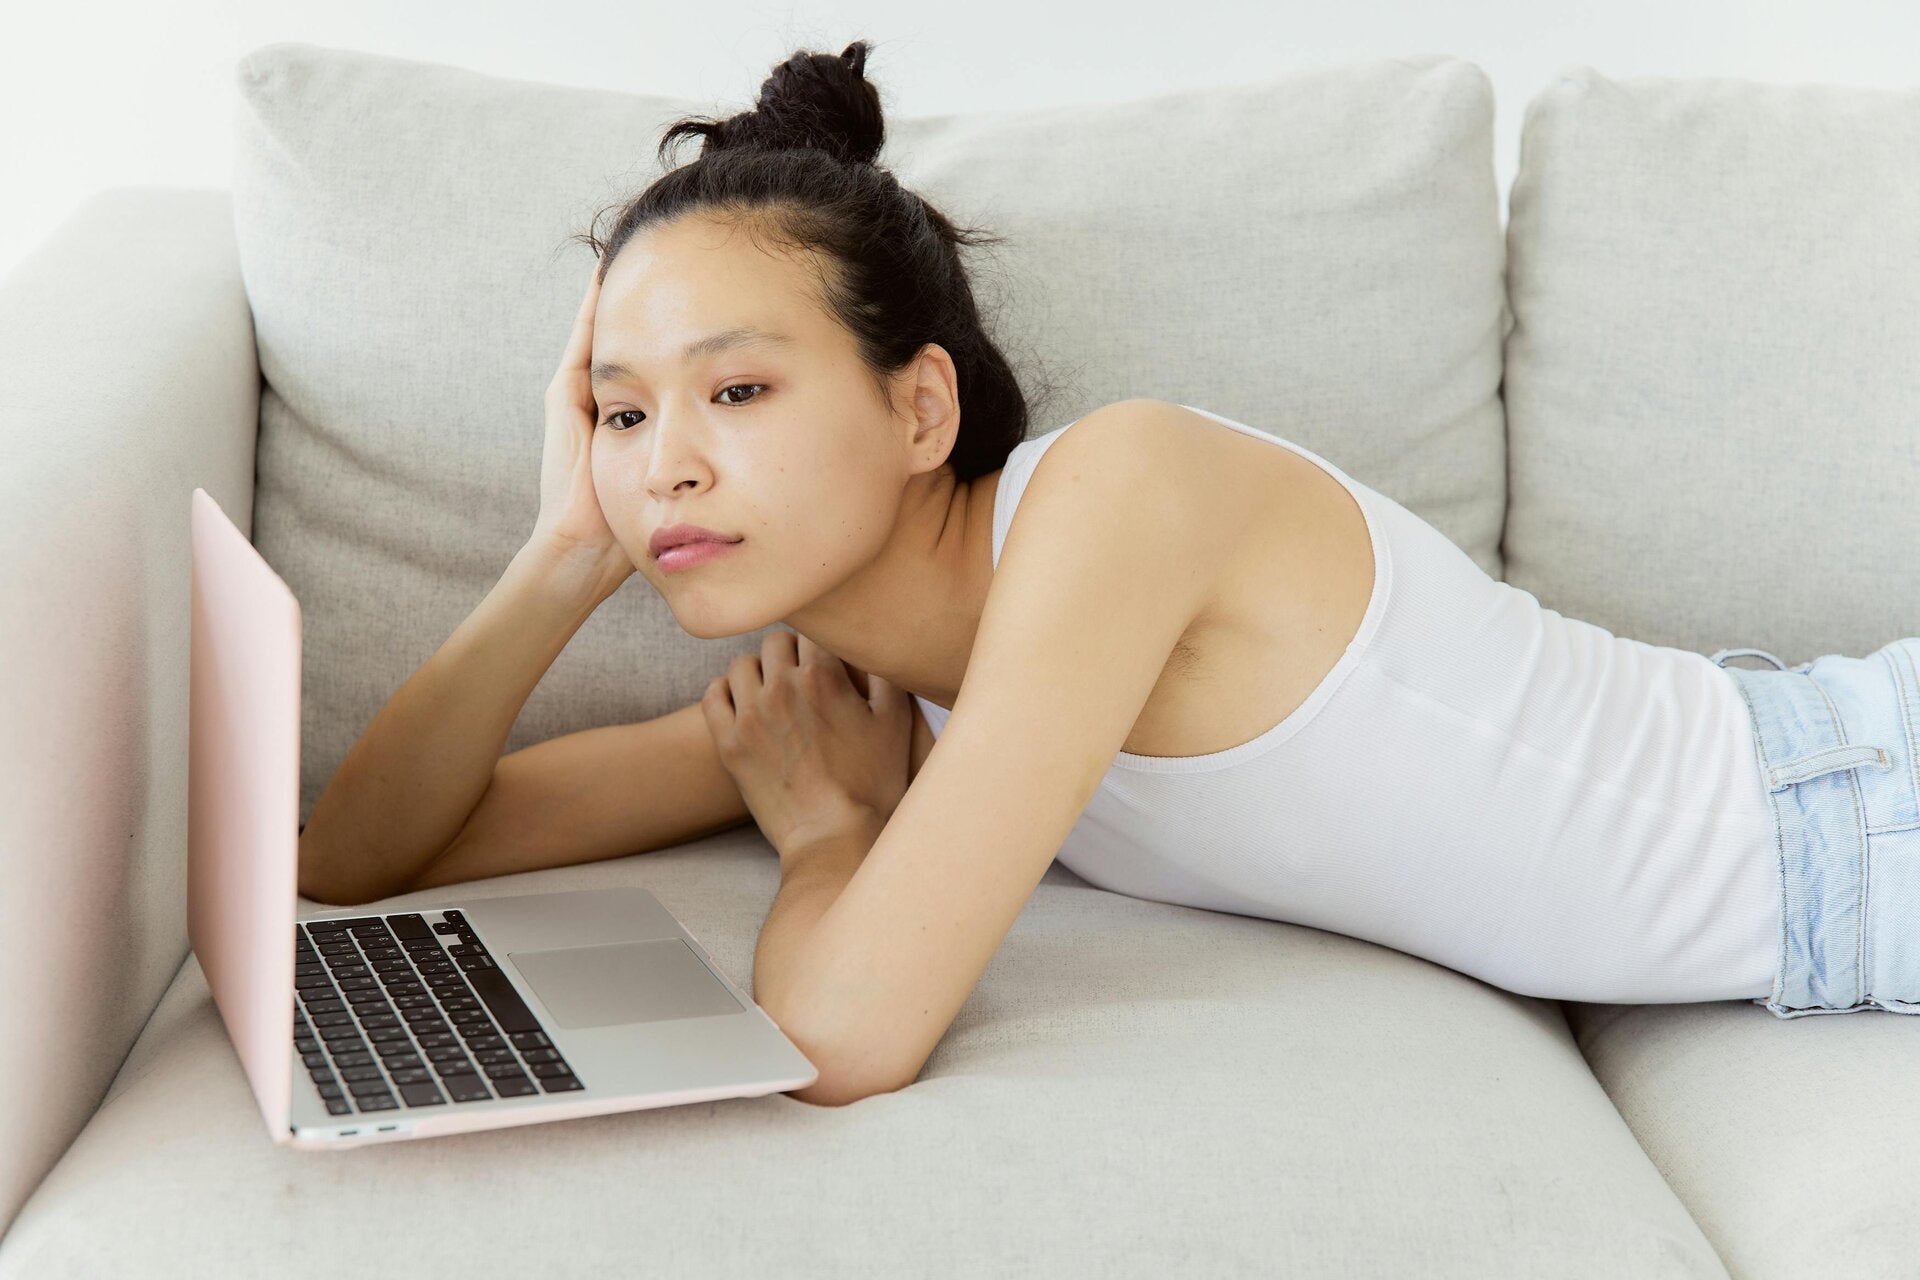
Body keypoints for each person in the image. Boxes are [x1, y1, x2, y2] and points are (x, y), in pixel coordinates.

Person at [297, 40, 1920, 1104]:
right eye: (621, 412)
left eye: (736, 390)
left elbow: (842, 1035)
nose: (667, 462)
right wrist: (563, 551)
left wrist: (830, 839)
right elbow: (358, 858)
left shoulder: (1116, 499)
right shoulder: (877, 701)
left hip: (1860, 810)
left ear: (920, 408)